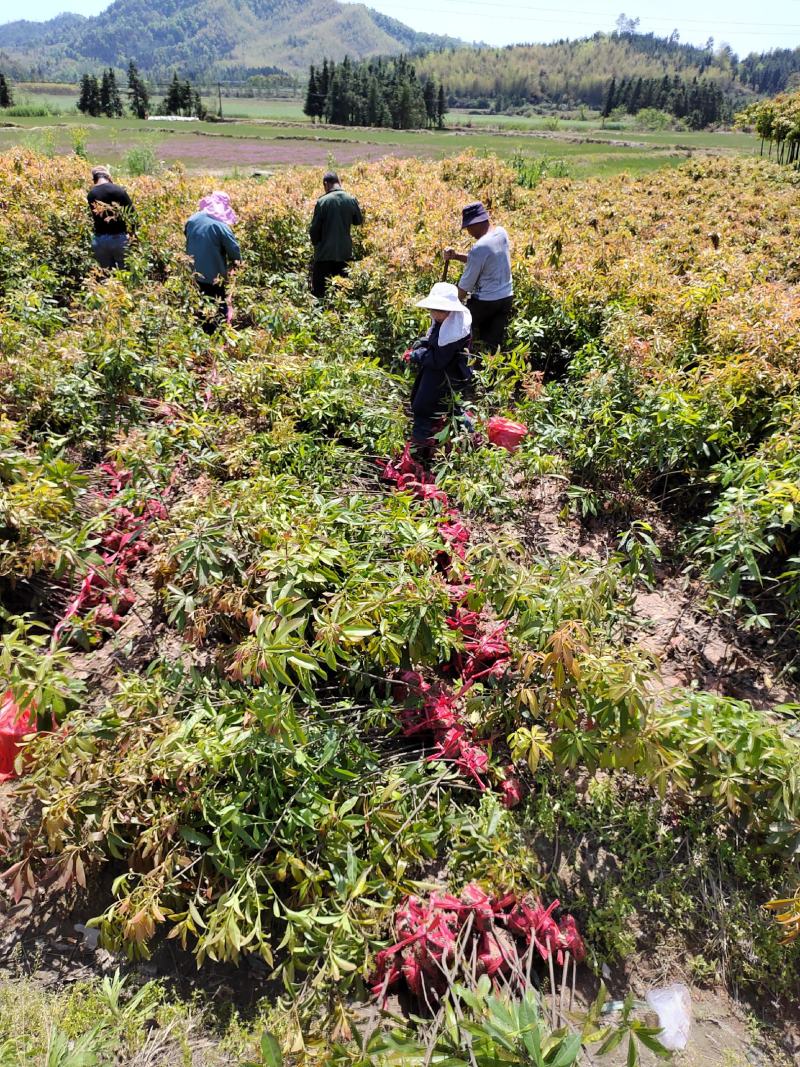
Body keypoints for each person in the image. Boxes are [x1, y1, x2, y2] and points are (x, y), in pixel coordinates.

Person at [408, 282, 474, 460]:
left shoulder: (454, 330)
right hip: (445, 374)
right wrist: (422, 343)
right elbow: (433, 340)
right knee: (450, 406)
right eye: (433, 310)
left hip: (445, 374)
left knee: (425, 407)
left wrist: (417, 355)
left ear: (450, 310)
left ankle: (417, 451)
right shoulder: (445, 320)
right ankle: (471, 434)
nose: (434, 314)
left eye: (439, 310)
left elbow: (437, 359)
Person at [443, 201, 513, 351]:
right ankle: (489, 370)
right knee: (492, 345)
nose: (469, 232)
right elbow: (485, 261)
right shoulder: (501, 233)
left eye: (468, 227)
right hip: (506, 298)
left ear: (476, 223)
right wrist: (456, 256)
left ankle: (460, 364)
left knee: (459, 333)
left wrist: (444, 307)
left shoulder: (479, 248)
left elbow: (463, 289)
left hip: (486, 302)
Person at [184, 191, 242, 334]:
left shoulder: (192, 220)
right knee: (218, 306)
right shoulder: (221, 227)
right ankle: (216, 335)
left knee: (200, 303)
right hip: (214, 276)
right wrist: (237, 265)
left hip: (193, 272)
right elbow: (234, 251)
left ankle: (203, 332)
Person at [308, 171, 363, 298]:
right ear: (339, 182)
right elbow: (358, 221)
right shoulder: (351, 199)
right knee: (342, 292)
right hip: (345, 254)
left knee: (320, 294)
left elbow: (314, 230)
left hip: (324, 256)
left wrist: (316, 244)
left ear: (326, 184)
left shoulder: (322, 201)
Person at [87, 165, 135, 270]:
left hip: (100, 240)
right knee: (125, 274)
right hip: (119, 239)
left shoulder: (91, 194)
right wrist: (133, 235)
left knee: (106, 276)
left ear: (95, 179)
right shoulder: (118, 190)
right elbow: (133, 215)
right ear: (108, 177)